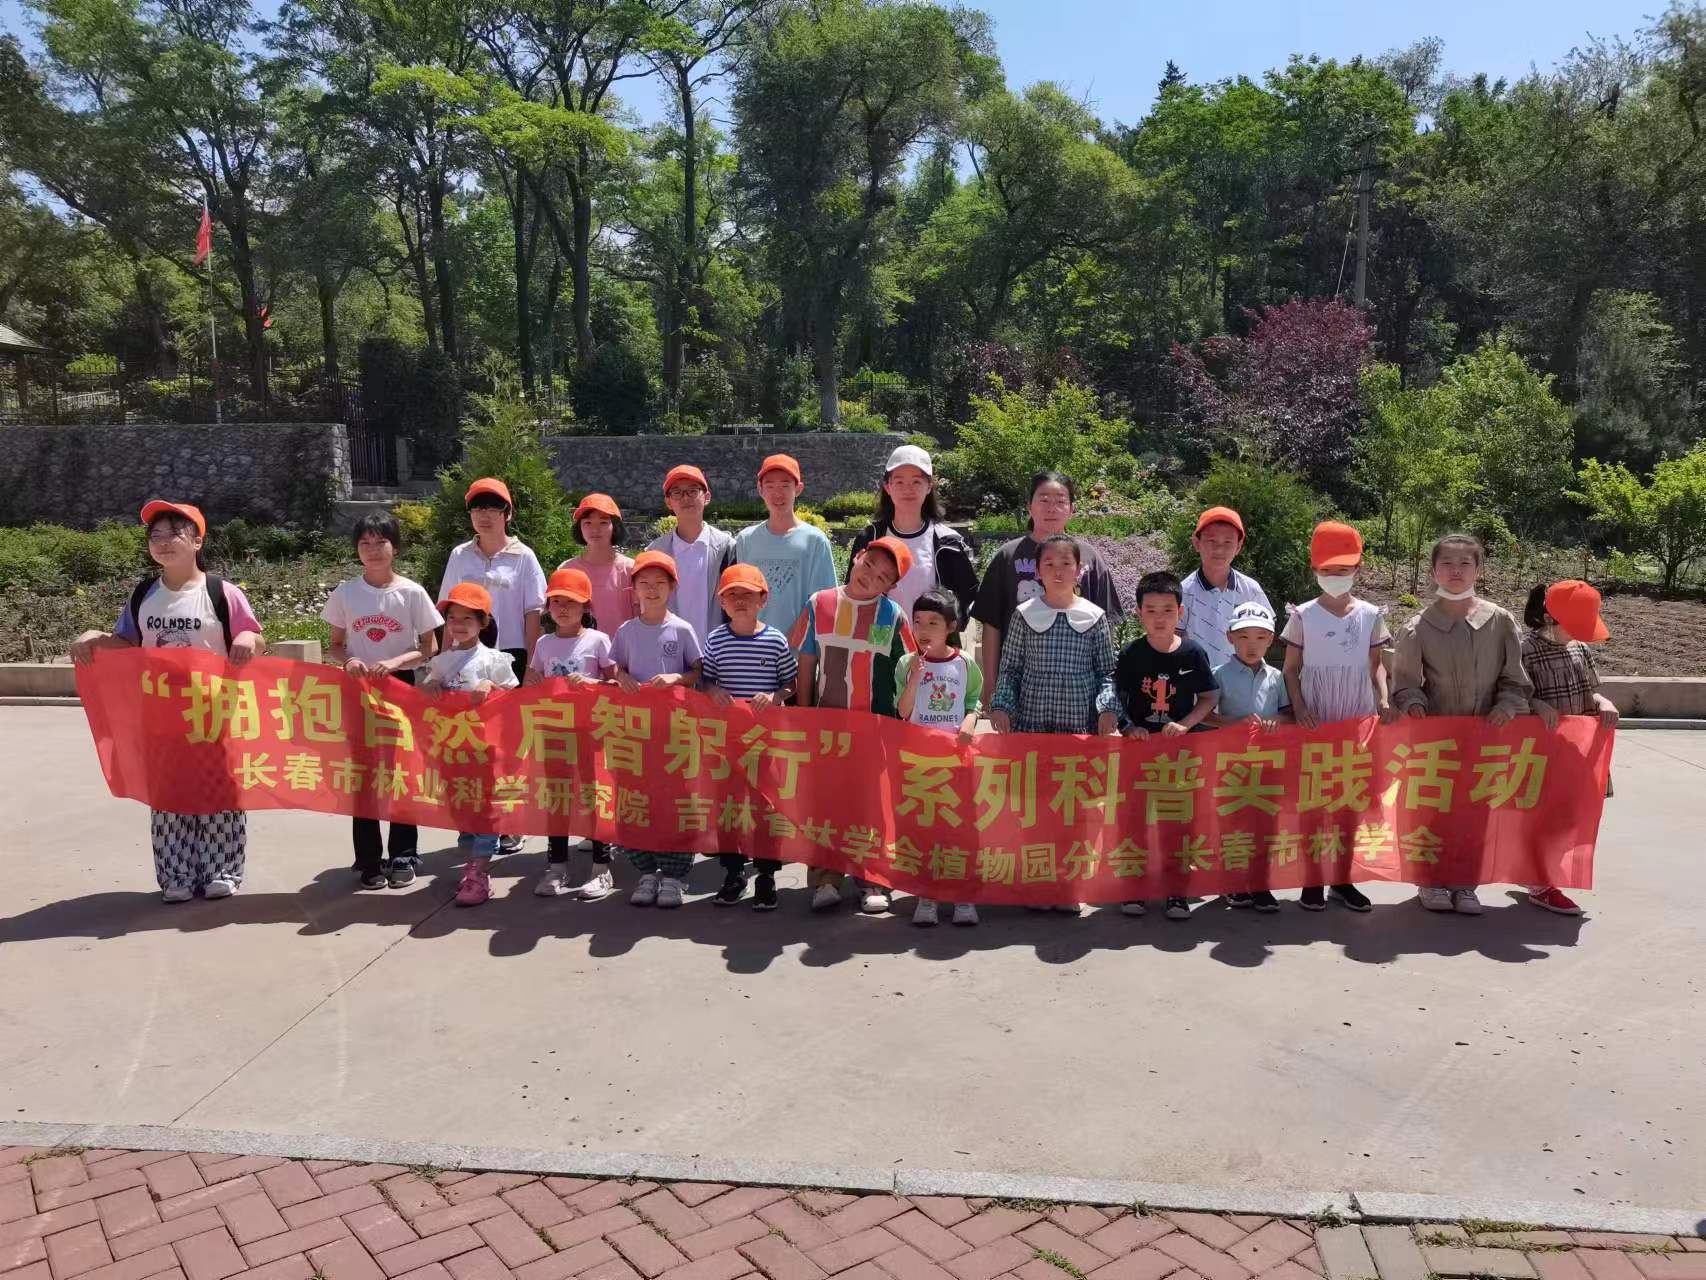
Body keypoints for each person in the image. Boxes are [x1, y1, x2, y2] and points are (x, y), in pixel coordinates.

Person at [71, 501, 266, 904]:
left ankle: (221, 870)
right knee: (167, 794)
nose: (163, 542)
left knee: (218, 791)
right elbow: (126, 641)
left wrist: (249, 639)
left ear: (197, 541)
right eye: (155, 535)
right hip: (160, 713)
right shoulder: (145, 594)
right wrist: (93, 637)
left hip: (213, 712)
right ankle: (176, 875)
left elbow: (253, 639)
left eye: (174, 533)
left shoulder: (221, 593)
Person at [1392, 533, 1533, 916]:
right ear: (1433, 571)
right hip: (1435, 741)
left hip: (1486, 738)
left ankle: (1465, 883)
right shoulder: (1418, 627)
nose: (1456, 571)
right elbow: (1405, 682)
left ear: (1478, 570)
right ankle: (1430, 880)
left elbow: (1515, 678)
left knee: (1476, 812)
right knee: (1431, 810)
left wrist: (1507, 704)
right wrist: (1414, 704)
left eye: (1465, 563)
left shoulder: (1499, 622)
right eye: (1447, 564)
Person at [990, 533, 1117, 918]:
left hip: (1078, 728)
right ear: (1037, 571)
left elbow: (1106, 672)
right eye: (1050, 564)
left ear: (1080, 570)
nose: (1058, 571)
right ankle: (1037, 881)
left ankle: (1068, 885)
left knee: (1074, 809)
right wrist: (1002, 705)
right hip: (1033, 725)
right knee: (1036, 808)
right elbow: (1011, 669)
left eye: (1066, 564)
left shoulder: (1094, 617)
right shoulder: (1024, 615)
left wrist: (1107, 709)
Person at [792, 536, 917, 914]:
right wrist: (804, 715)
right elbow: (806, 661)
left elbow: (907, 669)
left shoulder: (893, 616)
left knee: (870, 804)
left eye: (883, 577)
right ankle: (825, 879)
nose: (871, 576)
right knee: (825, 803)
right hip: (826, 726)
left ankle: (871, 878)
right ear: (858, 556)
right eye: (869, 565)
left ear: (890, 587)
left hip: (874, 729)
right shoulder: (819, 603)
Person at [322, 512, 442, 891]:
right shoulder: (346, 593)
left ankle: (403, 854)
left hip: (400, 688)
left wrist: (395, 663)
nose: (373, 550)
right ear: (356, 549)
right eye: (365, 543)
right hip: (359, 691)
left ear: (396, 547)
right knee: (364, 776)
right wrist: (349, 661)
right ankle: (369, 859)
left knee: (402, 772)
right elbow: (335, 645)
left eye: (381, 542)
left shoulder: (412, 592)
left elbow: (430, 647)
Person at [1279, 521, 1393, 913]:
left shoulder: (1371, 615)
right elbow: (1290, 669)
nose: (1335, 576)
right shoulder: (1303, 616)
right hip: (1316, 720)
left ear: (1358, 569)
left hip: (1356, 720)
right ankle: (1312, 880)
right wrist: (1300, 707)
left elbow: (1376, 665)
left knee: (1348, 803)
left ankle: (1342, 880)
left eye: (1343, 570)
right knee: (1313, 803)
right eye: (1328, 570)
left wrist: (1383, 698)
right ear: (1315, 570)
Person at [1096, 569, 1218, 921]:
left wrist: (1186, 724)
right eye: (1150, 610)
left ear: (1181, 612)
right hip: (1138, 753)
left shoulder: (1193, 653)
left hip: (1179, 756)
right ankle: (1133, 887)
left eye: (1167, 610)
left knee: (1177, 822)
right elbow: (1116, 696)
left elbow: (1209, 696)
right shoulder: (1132, 654)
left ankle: (1175, 891)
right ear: (1139, 613)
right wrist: (1128, 726)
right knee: (1133, 819)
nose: (1159, 618)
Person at [971, 470, 1123, 697]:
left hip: (1078, 691)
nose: (1052, 508)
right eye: (1043, 500)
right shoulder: (1007, 556)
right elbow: (992, 625)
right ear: (1029, 507)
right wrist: (991, 689)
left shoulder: (1089, 558)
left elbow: (1105, 628)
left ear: (1072, 509)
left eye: (1060, 501)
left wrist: (1104, 694)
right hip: (1018, 689)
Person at [1519, 579, 1620, 917]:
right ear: (1551, 616)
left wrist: (1602, 701)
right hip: (1544, 753)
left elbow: (1590, 689)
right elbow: (1512, 695)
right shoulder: (1525, 649)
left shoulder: (1579, 649)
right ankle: (1542, 883)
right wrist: (1535, 704)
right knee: (1546, 818)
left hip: (1579, 751)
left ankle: (1538, 877)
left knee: (1572, 816)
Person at [610, 551, 704, 908]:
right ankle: (647, 871)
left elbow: (697, 671)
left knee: (674, 797)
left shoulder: (682, 629)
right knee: (636, 796)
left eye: (659, 583)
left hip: (674, 730)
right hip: (634, 732)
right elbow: (615, 667)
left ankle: (675, 875)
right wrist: (622, 677)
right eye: (644, 583)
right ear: (633, 589)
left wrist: (677, 677)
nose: (652, 590)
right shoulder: (626, 631)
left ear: (672, 587)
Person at [702, 564, 799, 910]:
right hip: (727, 740)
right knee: (728, 807)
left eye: (747, 594)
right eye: (732, 595)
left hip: (765, 741)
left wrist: (774, 697)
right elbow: (706, 680)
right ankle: (733, 873)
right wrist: (712, 690)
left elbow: (790, 683)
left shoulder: (775, 640)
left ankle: (767, 875)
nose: (740, 600)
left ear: (763, 600)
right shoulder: (715, 639)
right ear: (722, 602)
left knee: (764, 807)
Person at [420, 582, 521, 907]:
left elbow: (513, 697)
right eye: (452, 618)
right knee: (462, 808)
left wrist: (490, 684)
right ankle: (470, 862)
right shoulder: (441, 661)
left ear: (483, 622)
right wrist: (431, 686)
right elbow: (426, 694)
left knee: (486, 809)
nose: (459, 624)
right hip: (453, 751)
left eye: (467, 618)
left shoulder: (493, 659)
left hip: (485, 752)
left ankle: (480, 870)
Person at [527, 566, 617, 901]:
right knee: (558, 798)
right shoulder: (544, 643)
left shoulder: (598, 640)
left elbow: (616, 683)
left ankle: (601, 868)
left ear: (586, 607)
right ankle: (556, 867)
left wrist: (593, 683)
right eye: (557, 601)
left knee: (596, 796)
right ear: (548, 607)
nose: (563, 608)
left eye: (571, 602)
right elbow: (532, 682)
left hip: (592, 733)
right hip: (555, 733)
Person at [895, 588, 982, 927]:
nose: (923, 629)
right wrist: (915, 678)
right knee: (925, 828)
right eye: (918, 622)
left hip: (957, 761)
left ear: (951, 627)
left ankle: (963, 896)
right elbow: (903, 711)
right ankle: (927, 895)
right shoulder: (906, 663)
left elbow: (973, 703)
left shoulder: (965, 663)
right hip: (920, 762)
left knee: (960, 829)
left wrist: (970, 723)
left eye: (933, 622)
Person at [1208, 600, 1291, 913]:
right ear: (1230, 637)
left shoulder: (1276, 677)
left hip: (1267, 764)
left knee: (1265, 824)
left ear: (1271, 640)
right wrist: (1233, 724)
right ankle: (1231, 883)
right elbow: (1205, 715)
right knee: (1232, 822)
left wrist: (1275, 722)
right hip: (1231, 764)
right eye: (1243, 636)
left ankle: (1260, 884)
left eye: (1260, 637)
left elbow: (1289, 714)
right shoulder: (1218, 675)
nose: (1251, 645)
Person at [846, 444, 978, 622]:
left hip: (929, 640)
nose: (908, 489)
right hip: (876, 638)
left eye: (916, 481)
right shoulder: (869, 538)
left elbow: (967, 600)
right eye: (899, 482)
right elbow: (850, 593)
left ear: (929, 486)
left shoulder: (949, 543)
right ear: (887, 487)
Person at [438, 477, 548, 683]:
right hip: (465, 653)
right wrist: (443, 662)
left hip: (511, 653)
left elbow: (533, 616)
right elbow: (449, 612)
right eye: (477, 509)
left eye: (492, 508)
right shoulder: (460, 555)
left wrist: (531, 666)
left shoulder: (524, 556)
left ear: (508, 513)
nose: (484, 515)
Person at [733, 454, 838, 634]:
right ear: (760, 489)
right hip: (754, 644)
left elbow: (825, 601)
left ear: (798, 489)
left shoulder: (815, 541)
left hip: (800, 648)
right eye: (770, 486)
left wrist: (797, 639)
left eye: (785, 485)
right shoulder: (745, 539)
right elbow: (739, 595)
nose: (777, 494)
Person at [646, 464, 737, 646]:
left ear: (707, 497)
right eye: (677, 492)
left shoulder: (727, 548)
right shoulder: (655, 552)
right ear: (668, 502)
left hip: (717, 651)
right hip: (669, 650)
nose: (686, 498)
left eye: (693, 491)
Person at [1179, 506, 1272, 673]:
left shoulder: (1251, 589)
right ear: (1196, 542)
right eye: (1211, 541)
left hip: (1242, 680)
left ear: (1239, 546)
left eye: (1228, 542)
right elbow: (1174, 639)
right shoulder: (1183, 592)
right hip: (1197, 681)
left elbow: (1265, 633)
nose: (1219, 549)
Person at [563, 493, 635, 635]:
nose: (595, 529)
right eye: (588, 523)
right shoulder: (567, 570)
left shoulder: (631, 569)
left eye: (603, 522)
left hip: (624, 648)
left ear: (615, 527)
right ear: (579, 527)